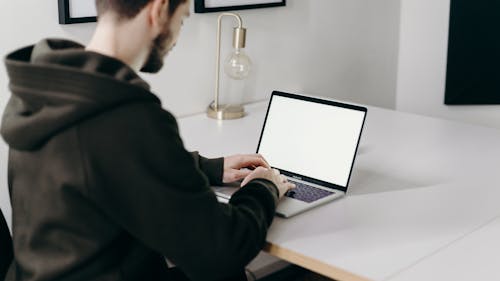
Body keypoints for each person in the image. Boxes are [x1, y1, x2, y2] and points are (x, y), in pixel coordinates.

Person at [0, 0, 294, 280]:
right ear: (159, 9)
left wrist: (208, 167)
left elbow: (94, 162)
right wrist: (263, 187)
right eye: (182, 19)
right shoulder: (128, 117)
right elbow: (222, 250)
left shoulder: (48, 92)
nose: (177, 35)